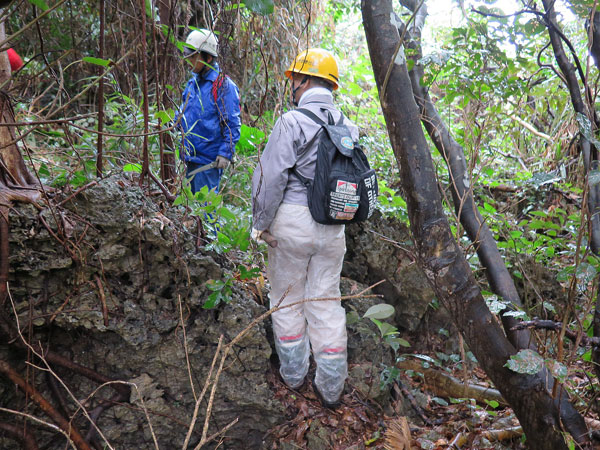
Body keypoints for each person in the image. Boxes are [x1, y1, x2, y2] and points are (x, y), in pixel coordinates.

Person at [251, 48, 358, 408]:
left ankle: (294, 377)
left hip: (291, 225)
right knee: (327, 302)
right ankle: (330, 389)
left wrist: (260, 225)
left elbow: (270, 178)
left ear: (304, 80)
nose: (291, 86)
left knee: (287, 300)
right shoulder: (348, 127)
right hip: (332, 228)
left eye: (294, 79)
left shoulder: (291, 122)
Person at [176, 29, 241, 194]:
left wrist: (225, 153)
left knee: (205, 214)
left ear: (208, 57)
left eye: (193, 56)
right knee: (190, 211)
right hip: (189, 159)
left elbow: (232, 124)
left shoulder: (223, 86)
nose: (189, 60)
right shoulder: (192, 84)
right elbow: (184, 113)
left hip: (208, 162)